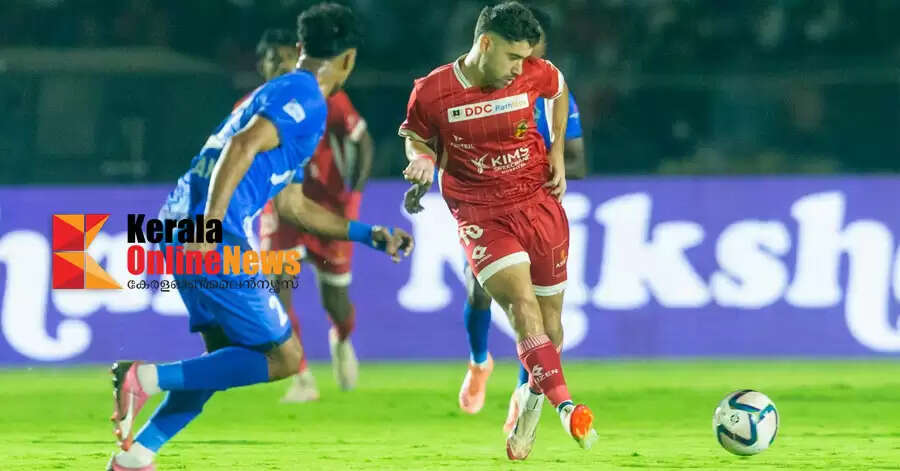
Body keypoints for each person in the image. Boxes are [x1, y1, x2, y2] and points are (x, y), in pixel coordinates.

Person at [107, 4, 412, 470]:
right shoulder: (305, 98)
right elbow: (242, 145)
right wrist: (211, 225)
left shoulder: (275, 95)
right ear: (349, 58)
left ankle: (136, 456)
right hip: (210, 232)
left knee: (219, 361)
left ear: (301, 47)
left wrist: (368, 234)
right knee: (285, 358)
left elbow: (293, 206)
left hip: (177, 226)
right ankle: (144, 378)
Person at [398, 1, 596, 461]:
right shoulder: (432, 91)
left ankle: (530, 401)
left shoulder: (532, 72)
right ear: (485, 43)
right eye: (512, 57)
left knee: (551, 328)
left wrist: (557, 152)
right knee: (521, 308)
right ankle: (566, 407)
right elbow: (416, 136)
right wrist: (422, 160)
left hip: (538, 202)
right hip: (481, 212)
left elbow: (559, 87)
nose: (519, 68)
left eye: (525, 58)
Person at [453, 6, 589, 434]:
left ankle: (523, 391)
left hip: (534, 204)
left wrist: (551, 159)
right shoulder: (476, 87)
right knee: (478, 292)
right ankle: (479, 362)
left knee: (536, 312)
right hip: (487, 207)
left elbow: (578, 159)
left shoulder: (547, 89)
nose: (525, 60)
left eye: (535, 50)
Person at [260, 68, 374, 401]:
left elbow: (363, 142)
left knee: (335, 302)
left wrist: (355, 195)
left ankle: (342, 337)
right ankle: (302, 376)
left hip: (326, 208)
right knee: (277, 291)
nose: (278, 65)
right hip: (281, 210)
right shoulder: (257, 103)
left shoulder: (328, 98)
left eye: (284, 58)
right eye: (271, 59)